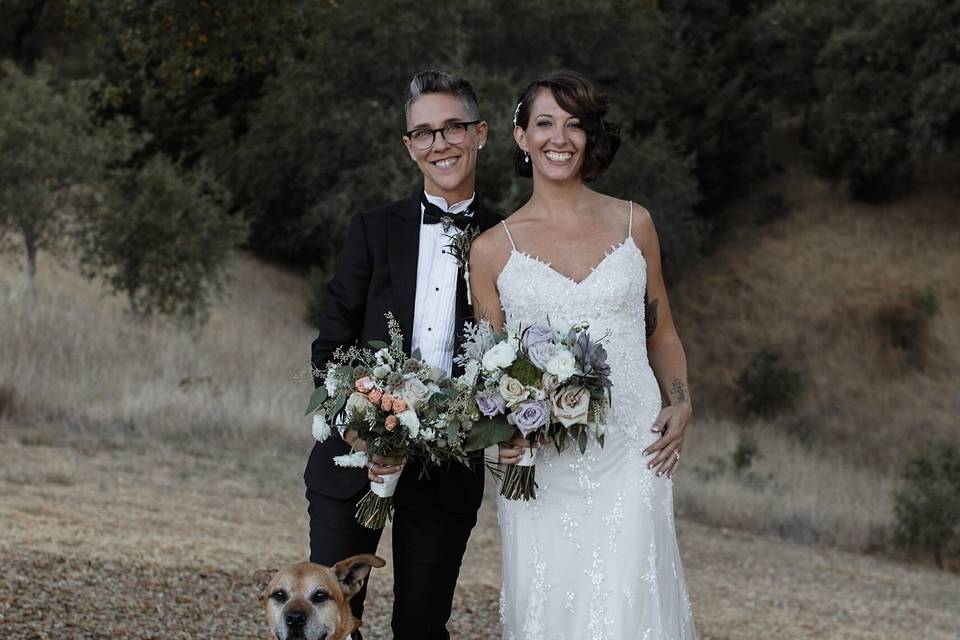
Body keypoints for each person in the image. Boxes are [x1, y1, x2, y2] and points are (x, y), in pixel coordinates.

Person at [469, 70, 697, 639]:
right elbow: (487, 370)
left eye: (574, 125)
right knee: (553, 601)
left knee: (630, 600)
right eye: (544, 123)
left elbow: (661, 331)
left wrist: (683, 402)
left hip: (633, 445)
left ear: (590, 137)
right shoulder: (493, 249)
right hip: (540, 459)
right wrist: (504, 434)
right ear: (521, 136)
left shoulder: (634, 222)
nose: (559, 138)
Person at [304, 70, 502, 640]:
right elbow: (331, 342)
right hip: (353, 456)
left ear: (480, 133)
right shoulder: (370, 230)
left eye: (452, 128)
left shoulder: (508, 237)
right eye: (424, 133)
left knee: (420, 625)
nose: (439, 144)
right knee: (335, 622)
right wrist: (357, 426)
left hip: (448, 464)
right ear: (409, 146)